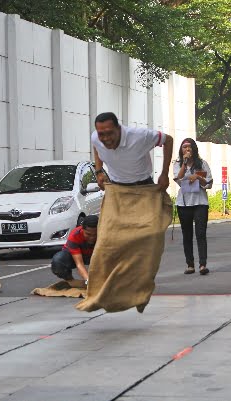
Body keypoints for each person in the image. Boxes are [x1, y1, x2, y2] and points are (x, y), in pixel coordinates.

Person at [75, 112, 173, 313]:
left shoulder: (140, 136)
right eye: (102, 134)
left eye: (109, 133)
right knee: (106, 244)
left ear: (119, 129)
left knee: (151, 237)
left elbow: (168, 140)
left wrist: (164, 173)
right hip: (117, 192)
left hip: (144, 190)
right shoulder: (96, 138)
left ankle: (139, 291)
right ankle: (98, 294)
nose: (106, 139)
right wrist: (99, 170)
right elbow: (96, 147)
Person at [173, 138, 213, 275]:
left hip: (200, 202)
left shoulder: (202, 163)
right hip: (184, 204)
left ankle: (203, 264)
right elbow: (178, 179)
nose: (187, 150)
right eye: (184, 147)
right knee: (187, 235)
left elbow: (209, 184)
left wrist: (198, 177)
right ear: (181, 150)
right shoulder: (178, 163)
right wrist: (184, 163)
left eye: (189, 147)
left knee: (201, 233)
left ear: (194, 149)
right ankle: (190, 265)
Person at [50, 215, 98, 286]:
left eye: (95, 234)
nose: (92, 237)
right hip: (75, 256)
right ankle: (71, 281)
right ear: (82, 229)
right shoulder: (75, 235)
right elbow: (79, 264)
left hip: (95, 256)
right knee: (57, 261)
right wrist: (88, 281)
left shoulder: (104, 235)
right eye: (88, 234)